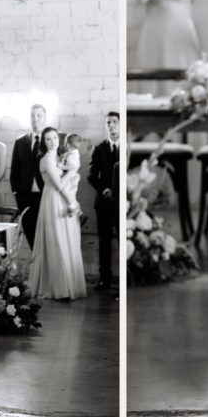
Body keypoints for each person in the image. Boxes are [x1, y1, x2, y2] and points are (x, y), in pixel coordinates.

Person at [28, 127, 87, 301]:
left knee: (68, 239)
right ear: (43, 142)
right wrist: (72, 172)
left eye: (55, 137)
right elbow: (59, 185)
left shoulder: (61, 157)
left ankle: (71, 284)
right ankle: (57, 286)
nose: (52, 141)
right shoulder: (46, 160)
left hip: (66, 198)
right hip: (54, 199)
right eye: (48, 139)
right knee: (57, 240)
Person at [88, 112, 120, 291]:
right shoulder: (100, 149)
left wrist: (117, 191)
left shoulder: (126, 148)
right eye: (108, 123)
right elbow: (91, 176)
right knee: (104, 242)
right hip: (104, 202)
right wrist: (104, 190)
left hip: (121, 202)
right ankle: (105, 279)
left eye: (115, 122)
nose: (112, 126)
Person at [10, 103, 48, 249]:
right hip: (25, 198)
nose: (35, 118)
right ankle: (37, 270)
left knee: (47, 239)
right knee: (31, 238)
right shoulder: (20, 142)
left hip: (46, 196)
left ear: (45, 118)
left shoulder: (51, 139)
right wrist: (17, 195)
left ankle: (46, 271)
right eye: (32, 115)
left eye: (39, 115)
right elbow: (14, 172)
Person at [59, 133, 83, 216]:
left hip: (71, 177)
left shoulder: (73, 155)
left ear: (71, 145)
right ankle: (75, 209)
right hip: (72, 176)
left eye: (67, 144)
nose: (65, 146)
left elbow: (72, 166)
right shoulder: (71, 153)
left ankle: (73, 208)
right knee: (71, 193)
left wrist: (62, 166)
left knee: (66, 191)